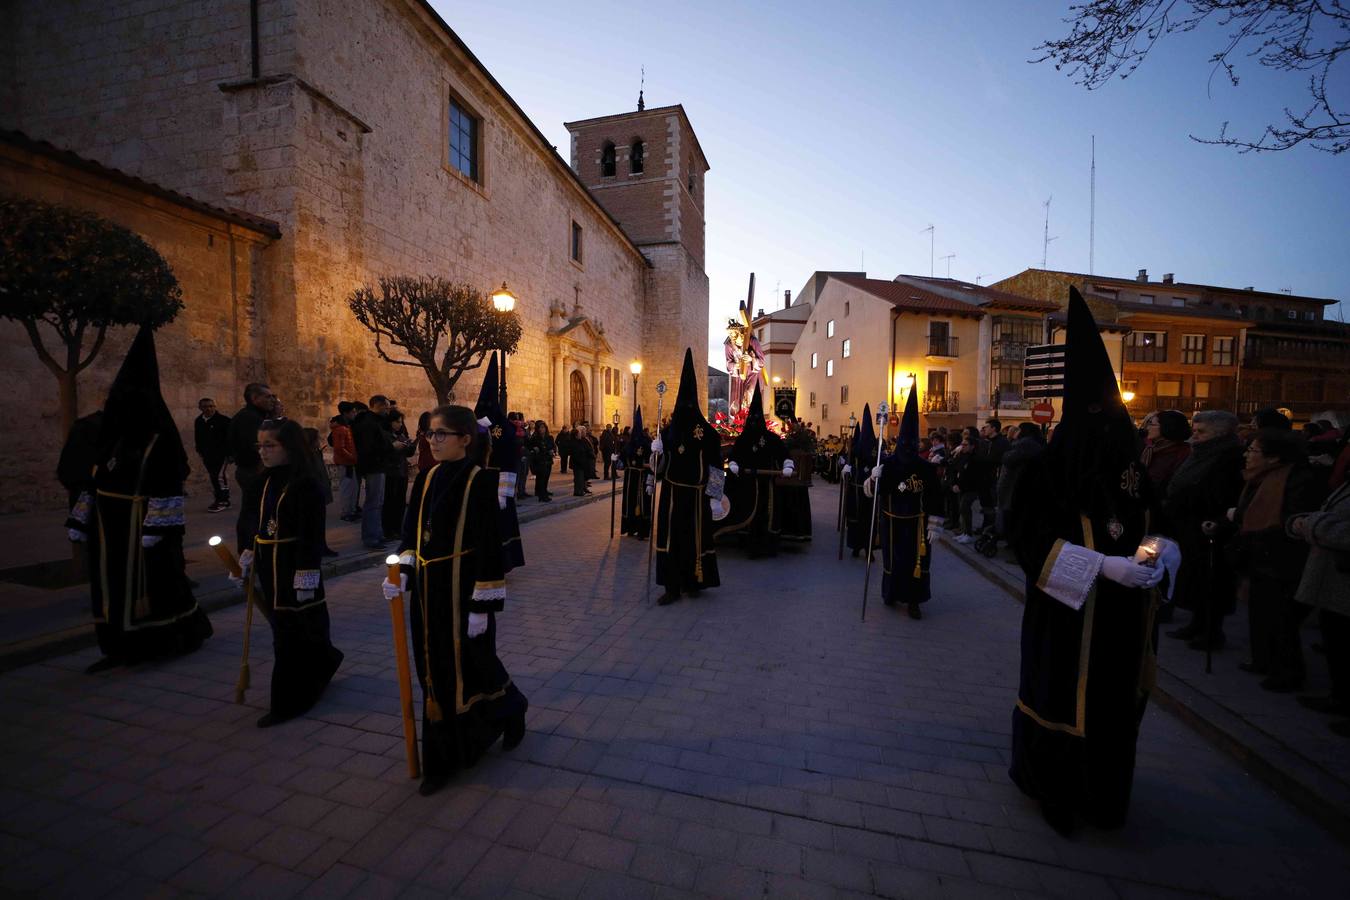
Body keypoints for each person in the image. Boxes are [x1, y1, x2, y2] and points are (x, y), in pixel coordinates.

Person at [1008, 288, 1173, 834]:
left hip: (1122, 619)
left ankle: (1104, 795)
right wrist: (1101, 567)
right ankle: (1052, 788)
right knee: (1063, 697)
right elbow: (1028, 539)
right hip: (1066, 617)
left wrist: (1168, 547)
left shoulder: (1130, 470)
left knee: (1109, 705)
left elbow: (1154, 515)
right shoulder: (1050, 473)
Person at [384, 404, 528, 795]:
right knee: (434, 668)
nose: (432, 440)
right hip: (429, 591)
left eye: (440, 434)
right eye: (429, 433)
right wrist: (405, 570)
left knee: (475, 663)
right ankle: (443, 756)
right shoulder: (427, 478)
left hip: (464, 589)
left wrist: (483, 605)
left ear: (465, 439)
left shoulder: (482, 481)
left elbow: (488, 546)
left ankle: (512, 707)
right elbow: (413, 531)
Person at [65, 326, 213, 672]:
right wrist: (80, 517)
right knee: (110, 588)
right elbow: (94, 476)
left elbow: (169, 481)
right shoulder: (112, 438)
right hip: (109, 531)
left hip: (145, 531)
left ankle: (165, 641)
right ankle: (115, 645)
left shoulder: (159, 442)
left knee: (155, 587)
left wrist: (156, 525)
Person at [235, 419, 343, 727]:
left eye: (270, 445)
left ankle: (290, 699)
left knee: (294, 630)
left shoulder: (305, 484)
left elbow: (311, 534)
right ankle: (325, 660)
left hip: (295, 565)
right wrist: (247, 556)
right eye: (260, 445)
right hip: (270, 564)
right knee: (288, 625)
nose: (263, 452)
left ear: (290, 448)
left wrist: (306, 576)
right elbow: (253, 522)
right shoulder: (263, 481)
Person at [1216, 430, 1323, 691]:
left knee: (1281, 617)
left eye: (1253, 451)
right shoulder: (1259, 477)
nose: (1246, 455)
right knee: (1261, 611)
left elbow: (1291, 518)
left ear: (1274, 458)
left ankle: (1287, 671)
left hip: (1283, 558)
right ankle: (1264, 659)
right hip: (1260, 555)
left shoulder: (1297, 479)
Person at [1163, 410, 1245, 651]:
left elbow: (1224, 492)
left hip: (1210, 525)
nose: (1195, 435)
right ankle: (1196, 622)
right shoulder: (1199, 452)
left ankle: (1211, 630)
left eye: (1201, 431)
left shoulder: (1229, 456)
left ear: (1219, 433)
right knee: (1195, 577)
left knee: (1212, 580)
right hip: (1188, 524)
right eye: (1195, 430)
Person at [865, 386, 944, 619]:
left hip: (917, 526)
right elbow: (872, 493)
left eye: (912, 444)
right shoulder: (887, 465)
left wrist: (935, 524)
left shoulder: (926, 469)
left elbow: (935, 496)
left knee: (916, 563)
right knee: (893, 561)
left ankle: (914, 601)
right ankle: (890, 593)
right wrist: (873, 477)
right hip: (890, 523)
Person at [652, 349, 722, 605]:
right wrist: (656, 454)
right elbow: (660, 467)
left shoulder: (708, 433)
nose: (686, 407)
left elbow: (716, 465)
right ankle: (672, 587)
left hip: (697, 496)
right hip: (672, 494)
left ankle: (695, 580)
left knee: (694, 540)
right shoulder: (669, 431)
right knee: (672, 541)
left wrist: (715, 496)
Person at [1287, 467, 1350, 735]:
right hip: (1333, 576)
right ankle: (1339, 696)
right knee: (1336, 638)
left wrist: (1313, 524)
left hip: (1341, 576)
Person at [717, 384, 795, 557]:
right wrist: (734, 464)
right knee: (747, 509)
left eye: (756, 418)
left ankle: (767, 545)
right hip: (747, 483)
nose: (753, 422)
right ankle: (748, 543)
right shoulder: (743, 439)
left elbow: (783, 453)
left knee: (766, 513)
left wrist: (787, 465)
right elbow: (735, 454)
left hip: (767, 482)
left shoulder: (771, 438)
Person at [473, 355, 525, 571]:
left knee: (500, 524)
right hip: (478, 483)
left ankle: (503, 561)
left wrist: (504, 489)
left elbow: (509, 457)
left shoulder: (503, 428)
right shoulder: (475, 425)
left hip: (498, 483)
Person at [227, 382, 278, 552]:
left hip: (254, 471)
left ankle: (252, 550)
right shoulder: (249, 418)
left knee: (255, 511)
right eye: (268, 396)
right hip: (253, 471)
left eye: (273, 396)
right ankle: (250, 551)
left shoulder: (256, 416)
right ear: (254, 398)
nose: (272, 399)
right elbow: (258, 446)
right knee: (253, 512)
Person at [352, 397, 395, 549]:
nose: (388, 410)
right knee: (373, 502)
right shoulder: (369, 423)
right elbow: (370, 447)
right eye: (386, 407)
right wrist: (392, 446)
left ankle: (377, 534)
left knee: (378, 502)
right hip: (373, 466)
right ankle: (371, 538)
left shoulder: (373, 421)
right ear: (378, 405)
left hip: (378, 466)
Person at [995, 423, 1045, 539]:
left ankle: (1010, 538)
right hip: (1023, 484)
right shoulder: (1036, 444)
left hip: (1015, 485)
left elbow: (1008, 459)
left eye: (1018, 430)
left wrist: (1006, 453)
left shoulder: (1024, 444)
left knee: (1012, 514)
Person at [843, 407, 877, 558]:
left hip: (870, 494)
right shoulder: (855, 451)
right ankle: (856, 546)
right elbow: (846, 463)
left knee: (870, 522)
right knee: (855, 521)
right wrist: (846, 469)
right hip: (856, 492)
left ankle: (870, 549)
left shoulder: (875, 452)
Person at [302, 426, 339, 558]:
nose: (319, 441)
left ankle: (321, 546)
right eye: (317, 438)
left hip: (320, 492)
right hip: (312, 495)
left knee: (319, 523)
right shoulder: (306, 457)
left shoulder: (315, 453)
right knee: (313, 524)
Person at [382, 409, 416, 543]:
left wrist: (411, 445)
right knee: (390, 502)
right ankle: (388, 530)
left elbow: (408, 453)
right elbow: (384, 453)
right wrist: (394, 447)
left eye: (401, 422)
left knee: (400, 503)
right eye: (397, 422)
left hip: (401, 472)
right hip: (390, 473)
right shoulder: (385, 436)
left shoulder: (400, 435)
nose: (400, 425)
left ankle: (397, 529)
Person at [619, 407, 653, 538]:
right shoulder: (629, 444)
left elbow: (651, 462)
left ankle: (642, 530)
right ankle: (630, 528)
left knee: (642, 503)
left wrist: (650, 477)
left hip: (642, 478)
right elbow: (622, 460)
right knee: (630, 502)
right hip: (630, 479)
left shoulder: (646, 444)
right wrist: (617, 459)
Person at [194, 398, 232, 512]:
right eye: (205, 406)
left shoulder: (224, 420)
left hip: (221, 454)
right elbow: (198, 437)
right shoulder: (199, 420)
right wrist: (199, 450)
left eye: (211, 406)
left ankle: (223, 501)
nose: (209, 409)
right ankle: (219, 499)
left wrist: (230, 454)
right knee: (213, 477)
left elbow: (230, 438)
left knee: (218, 476)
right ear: (200, 408)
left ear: (215, 406)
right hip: (207, 455)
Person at [330, 409, 359, 521]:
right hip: (346, 463)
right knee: (347, 488)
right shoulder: (341, 430)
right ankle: (346, 512)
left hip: (348, 462)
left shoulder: (343, 429)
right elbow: (340, 448)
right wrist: (352, 457)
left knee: (352, 487)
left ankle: (350, 510)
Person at [527, 420, 556, 502]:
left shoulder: (549, 437)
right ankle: (541, 495)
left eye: (543, 428)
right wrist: (534, 449)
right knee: (541, 478)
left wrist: (552, 451)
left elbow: (553, 446)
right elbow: (529, 446)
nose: (542, 429)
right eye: (540, 428)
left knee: (546, 477)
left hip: (548, 460)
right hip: (540, 460)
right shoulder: (535, 438)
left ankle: (544, 491)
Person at [569, 425, 596, 497]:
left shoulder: (582, 440)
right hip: (578, 463)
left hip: (583, 462)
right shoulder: (575, 442)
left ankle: (582, 490)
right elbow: (577, 452)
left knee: (582, 477)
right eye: (582, 432)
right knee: (579, 478)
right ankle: (578, 491)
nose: (585, 432)